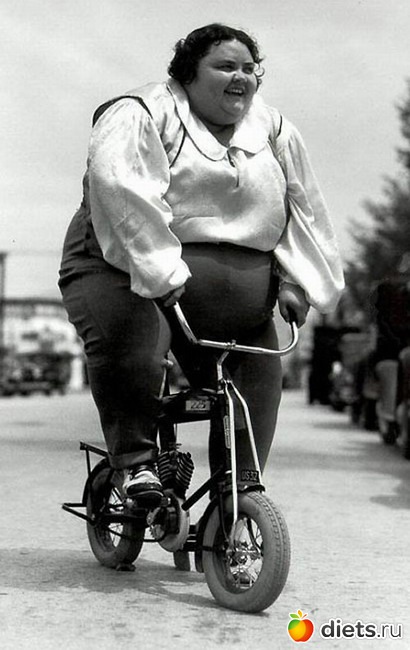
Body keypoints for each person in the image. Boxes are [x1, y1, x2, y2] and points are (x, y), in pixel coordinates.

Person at [59, 23, 344, 504]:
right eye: (225, 66)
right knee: (136, 349)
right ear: (188, 73)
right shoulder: (142, 112)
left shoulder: (274, 130)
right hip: (123, 271)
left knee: (255, 385)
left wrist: (298, 279)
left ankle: (239, 491)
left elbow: (305, 209)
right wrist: (160, 272)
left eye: (249, 69)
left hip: (233, 306)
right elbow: (122, 194)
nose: (241, 78)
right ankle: (136, 466)